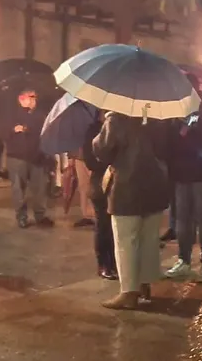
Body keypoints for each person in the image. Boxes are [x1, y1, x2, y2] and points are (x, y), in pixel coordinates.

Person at [94, 112, 172, 310]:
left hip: (126, 188)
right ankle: (145, 284)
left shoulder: (117, 118)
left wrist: (100, 134)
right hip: (155, 186)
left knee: (125, 241)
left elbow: (103, 150)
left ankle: (129, 292)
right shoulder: (159, 117)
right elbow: (165, 149)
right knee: (149, 238)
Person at [165, 90, 202, 282]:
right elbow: (170, 143)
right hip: (181, 177)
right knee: (182, 220)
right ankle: (184, 260)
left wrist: (192, 136)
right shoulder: (177, 115)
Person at [2, 89, 54, 228]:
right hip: (17, 157)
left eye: (34, 97)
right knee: (19, 189)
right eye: (29, 97)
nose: (32, 100)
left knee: (40, 188)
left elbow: (44, 131)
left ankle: (40, 215)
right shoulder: (11, 115)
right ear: (20, 98)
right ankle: (21, 216)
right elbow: (3, 132)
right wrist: (13, 130)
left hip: (38, 157)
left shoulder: (41, 115)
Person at [83, 114, 116, 280]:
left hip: (118, 183)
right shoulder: (93, 130)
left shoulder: (119, 127)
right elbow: (90, 160)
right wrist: (108, 162)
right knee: (103, 223)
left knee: (115, 224)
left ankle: (116, 262)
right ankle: (104, 264)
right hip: (100, 182)